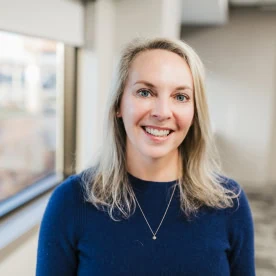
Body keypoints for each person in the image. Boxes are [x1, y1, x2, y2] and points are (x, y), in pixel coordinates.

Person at [36, 38, 255, 275]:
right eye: (145, 92)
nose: (162, 112)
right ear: (119, 104)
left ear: (195, 112)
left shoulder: (229, 203)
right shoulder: (71, 202)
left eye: (180, 97)